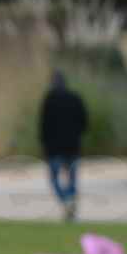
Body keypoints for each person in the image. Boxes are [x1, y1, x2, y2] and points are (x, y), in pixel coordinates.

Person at [40, 69, 88, 221]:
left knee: (54, 178)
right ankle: (70, 199)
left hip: (54, 148)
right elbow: (84, 122)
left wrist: (44, 144)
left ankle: (66, 200)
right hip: (73, 145)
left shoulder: (49, 100)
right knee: (72, 178)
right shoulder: (75, 98)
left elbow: (43, 125)